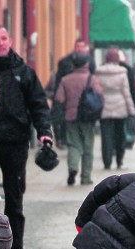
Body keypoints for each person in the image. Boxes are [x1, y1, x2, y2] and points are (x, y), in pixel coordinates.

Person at [0, 25, 54, 249]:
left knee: (14, 198)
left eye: (4, 39)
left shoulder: (23, 72)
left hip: (16, 143)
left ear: (10, 41)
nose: (0, 43)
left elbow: (39, 104)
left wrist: (44, 133)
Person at [54, 52, 103, 186]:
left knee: (73, 144)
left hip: (71, 116)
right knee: (88, 146)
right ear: (86, 64)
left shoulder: (65, 79)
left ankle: (73, 168)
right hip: (88, 117)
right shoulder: (92, 79)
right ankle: (86, 177)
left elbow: (59, 98)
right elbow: (99, 94)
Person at [50, 38, 96, 149]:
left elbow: (93, 78)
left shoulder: (91, 61)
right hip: (68, 95)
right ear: (74, 47)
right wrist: (58, 95)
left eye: (82, 47)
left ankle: (76, 141)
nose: (80, 49)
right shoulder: (64, 61)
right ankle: (66, 140)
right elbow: (59, 79)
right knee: (65, 119)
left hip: (85, 96)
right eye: (78, 47)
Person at [95, 47, 135, 170]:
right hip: (120, 106)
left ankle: (107, 161)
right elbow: (126, 92)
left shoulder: (99, 72)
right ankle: (119, 160)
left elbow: (97, 91)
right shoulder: (122, 72)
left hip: (104, 106)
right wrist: (131, 110)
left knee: (106, 136)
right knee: (120, 135)